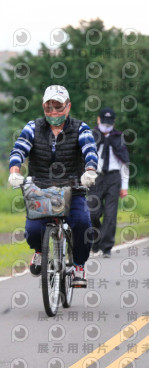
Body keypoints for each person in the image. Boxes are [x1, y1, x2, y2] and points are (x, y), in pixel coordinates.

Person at [7, 85, 98, 287]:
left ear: (68, 107)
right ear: (43, 108)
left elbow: (89, 149)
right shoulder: (33, 127)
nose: (54, 112)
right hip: (41, 189)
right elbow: (19, 149)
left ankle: (79, 266)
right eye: (49, 107)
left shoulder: (80, 128)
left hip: (72, 188)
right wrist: (14, 170)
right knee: (32, 230)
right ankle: (40, 251)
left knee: (83, 223)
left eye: (58, 107)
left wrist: (90, 170)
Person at [88, 107, 130, 258]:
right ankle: (96, 240)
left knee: (110, 215)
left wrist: (124, 186)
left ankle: (106, 247)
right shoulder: (90, 136)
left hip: (113, 178)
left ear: (114, 122)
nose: (106, 125)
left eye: (109, 122)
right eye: (104, 122)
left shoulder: (118, 137)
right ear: (98, 119)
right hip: (95, 178)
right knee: (92, 212)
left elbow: (124, 163)